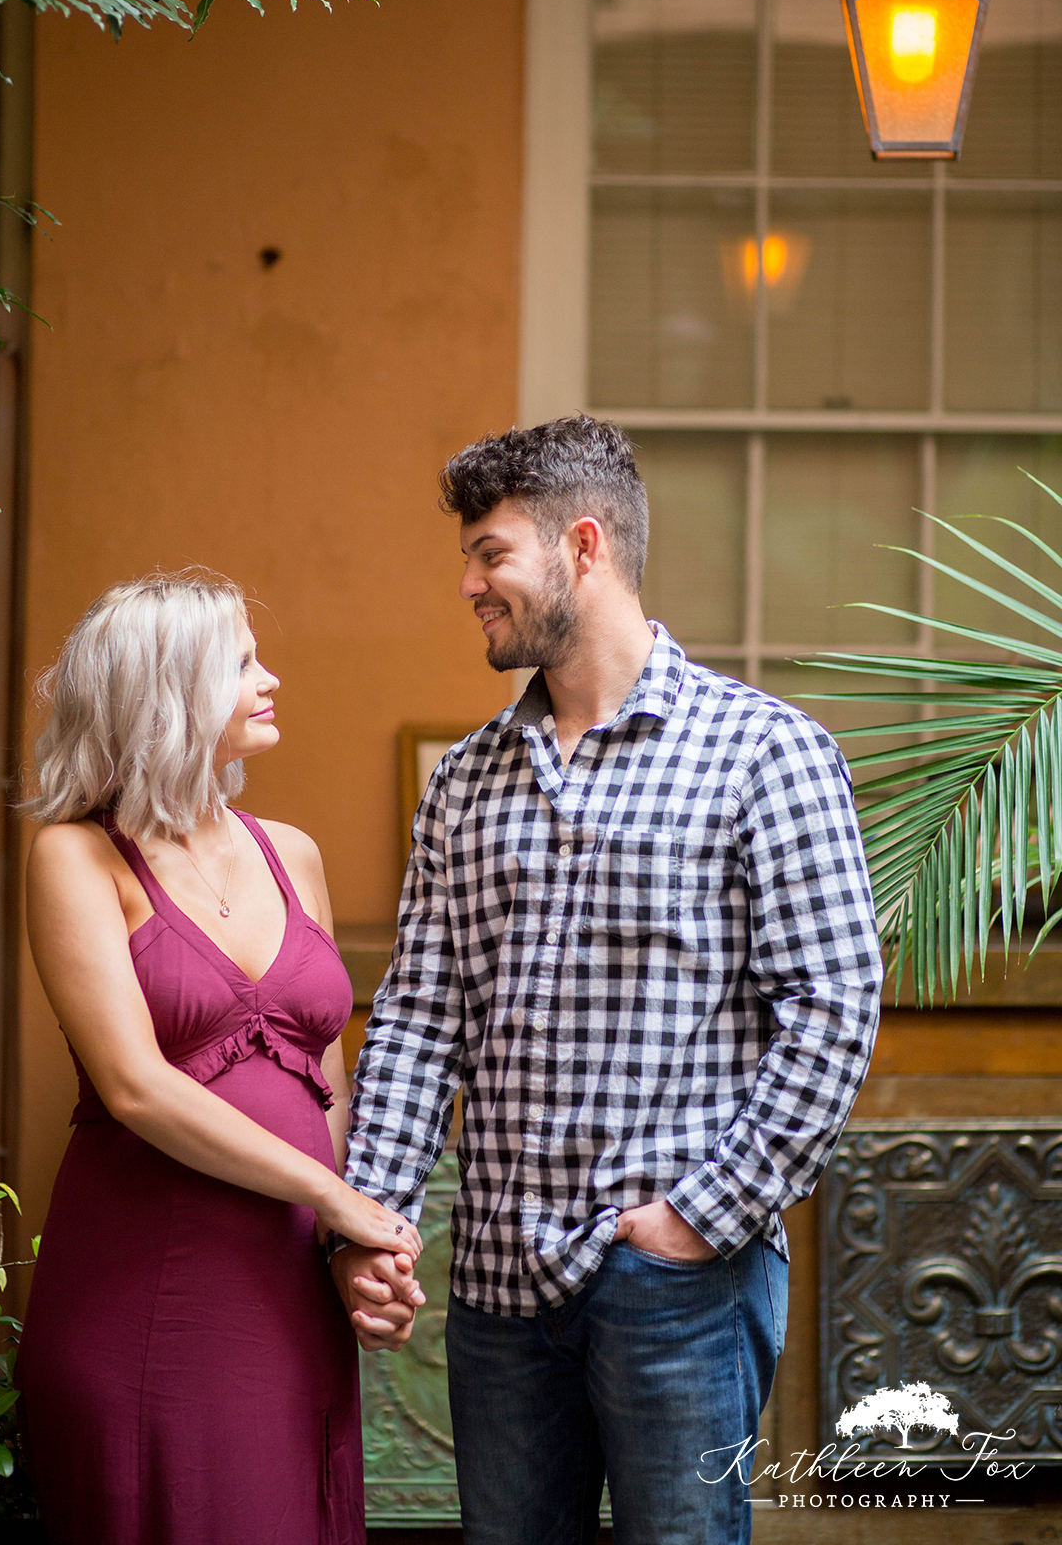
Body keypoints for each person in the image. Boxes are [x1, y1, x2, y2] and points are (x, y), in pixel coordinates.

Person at [332, 417, 884, 1545]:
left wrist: (698, 1218)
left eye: (491, 554)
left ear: (583, 545)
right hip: (493, 1283)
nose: (469, 585)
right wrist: (375, 1224)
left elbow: (833, 1013)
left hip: (677, 1289)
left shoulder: (762, 753)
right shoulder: (467, 785)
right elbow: (421, 1021)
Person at [18, 573, 420, 1545]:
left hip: (288, 1288)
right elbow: (136, 1088)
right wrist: (337, 1203)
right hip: (146, 1285)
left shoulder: (293, 852)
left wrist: (346, 1247)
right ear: (171, 690)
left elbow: (324, 1076)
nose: (270, 678)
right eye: (242, 662)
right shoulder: (77, 856)